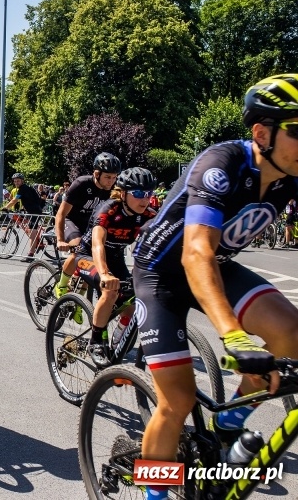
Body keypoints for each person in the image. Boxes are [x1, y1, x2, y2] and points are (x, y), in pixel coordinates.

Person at [131, 74, 298, 500]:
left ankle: (228, 424)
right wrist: (234, 334)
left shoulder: (290, 175)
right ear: (262, 133)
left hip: (217, 266)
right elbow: (195, 253)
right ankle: (155, 493)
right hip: (162, 274)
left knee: (289, 332)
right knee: (177, 402)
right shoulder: (221, 163)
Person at [72, 167, 157, 366]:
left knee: (132, 304)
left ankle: (118, 340)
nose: (144, 199)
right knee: (109, 292)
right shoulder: (108, 209)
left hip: (116, 258)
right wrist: (104, 274)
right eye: (137, 193)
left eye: (148, 194)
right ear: (123, 193)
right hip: (88, 256)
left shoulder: (149, 215)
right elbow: (97, 244)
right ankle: (95, 342)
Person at [53, 152, 122, 297]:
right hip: (70, 221)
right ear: (97, 174)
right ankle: (62, 285)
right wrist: (60, 239)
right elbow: (61, 214)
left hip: (89, 226)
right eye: (108, 177)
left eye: (114, 177)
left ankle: (80, 298)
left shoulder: (112, 191)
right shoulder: (81, 184)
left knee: (93, 259)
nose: (111, 181)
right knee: (78, 249)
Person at [1, 173, 45, 260]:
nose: (16, 182)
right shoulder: (26, 188)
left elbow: (15, 200)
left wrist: (5, 207)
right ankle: (38, 242)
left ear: (22, 181)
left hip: (34, 212)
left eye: (18, 181)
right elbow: (29, 200)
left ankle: (30, 255)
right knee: (30, 230)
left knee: (32, 234)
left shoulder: (22, 189)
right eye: (15, 181)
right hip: (32, 211)